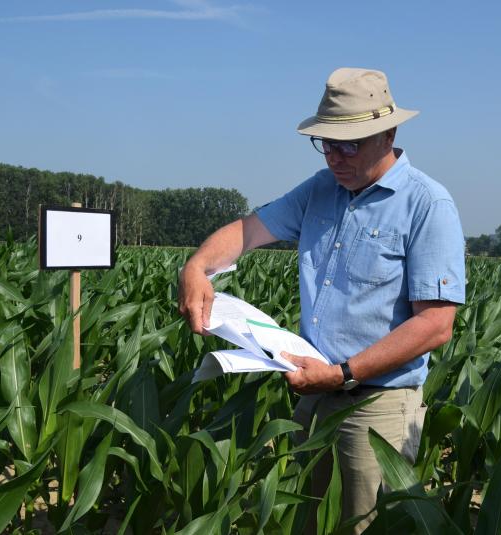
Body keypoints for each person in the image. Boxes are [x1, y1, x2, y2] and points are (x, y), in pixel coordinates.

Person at [178, 67, 465, 533]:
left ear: (388, 133)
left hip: (377, 407)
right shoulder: (320, 189)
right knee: (306, 520)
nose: (334, 156)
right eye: (326, 143)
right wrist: (196, 267)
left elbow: (434, 325)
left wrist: (342, 373)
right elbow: (248, 232)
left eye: (348, 144)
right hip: (312, 395)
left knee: (363, 525)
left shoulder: (427, 205)